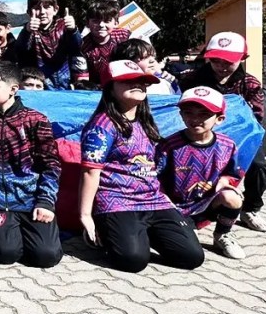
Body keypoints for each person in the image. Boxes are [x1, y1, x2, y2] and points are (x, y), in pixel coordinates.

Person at [79, 60, 205, 273]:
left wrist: (166, 198)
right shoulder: (101, 126)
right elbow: (90, 172)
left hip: (153, 200)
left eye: (142, 81)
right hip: (117, 201)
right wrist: (85, 216)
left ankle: (139, 235)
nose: (137, 84)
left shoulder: (145, 122)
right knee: (133, 261)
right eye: (128, 81)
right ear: (110, 87)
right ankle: (111, 233)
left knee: (192, 257)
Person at [0, 63, 63, 267]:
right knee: (6, 253)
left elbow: (51, 165)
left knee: (46, 255)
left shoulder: (36, 120)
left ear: (13, 89)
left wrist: (45, 202)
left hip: (30, 199)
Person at [179, 32, 266, 232]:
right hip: (197, 134)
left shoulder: (250, 84)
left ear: (242, 58)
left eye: (228, 61)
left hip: (241, 138)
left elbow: (256, 117)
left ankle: (250, 209)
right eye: (215, 60)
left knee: (259, 166)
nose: (221, 66)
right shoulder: (191, 79)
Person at [156, 87, 246, 259]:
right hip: (174, 207)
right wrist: (166, 203)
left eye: (204, 114)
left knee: (232, 198)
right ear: (181, 115)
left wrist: (225, 182)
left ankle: (222, 234)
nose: (195, 119)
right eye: (189, 113)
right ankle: (186, 227)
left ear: (219, 119)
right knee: (188, 247)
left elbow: (232, 173)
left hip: (206, 203)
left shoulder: (227, 145)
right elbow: (154, 179)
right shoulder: (169, 145)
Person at [13, 0, 82, 90]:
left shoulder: (64, 26)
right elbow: (20, 51)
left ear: (55, 9)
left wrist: (73, 30)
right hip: (39, 86)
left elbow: (77, 47)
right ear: (29, 12)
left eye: (47, 7)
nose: (42, 12)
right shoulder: (28, 30)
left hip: (66, 85)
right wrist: (27, 31)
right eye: (37, 8)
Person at [78, 0, 131, 85]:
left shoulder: (124, 36)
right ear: (87, 23)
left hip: (122, 83)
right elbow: (82, 77)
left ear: (116, 23)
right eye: (96, 21)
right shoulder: (83, 46)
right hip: (95, 87)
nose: (101, 25)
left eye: (107, 21)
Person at [112, 39, 178, 95]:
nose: (152, 60)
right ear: (127, 62)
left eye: (154, 57)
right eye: (145, 57)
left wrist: (173, 85)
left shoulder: (165, 82)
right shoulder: (122, 90)